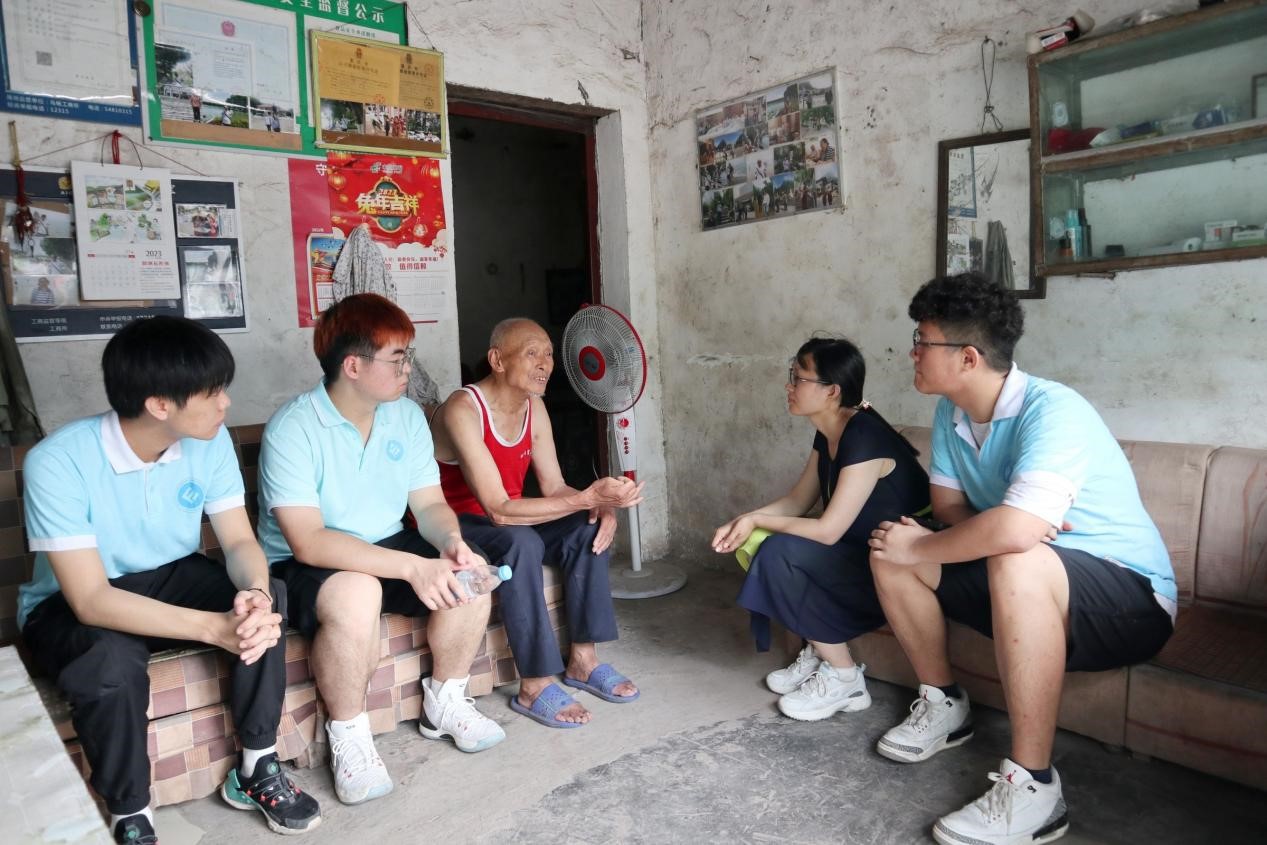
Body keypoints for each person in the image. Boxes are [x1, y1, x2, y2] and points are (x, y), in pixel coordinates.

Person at [867, 272, 1175, 845]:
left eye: (921, 340)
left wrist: (1010, 530)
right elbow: (949, 506)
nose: (912, 352)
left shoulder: (1055, 410)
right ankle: (944, 704)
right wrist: (1007, 527)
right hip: (1024, 580)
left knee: (1013, 556)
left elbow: (1014, 533)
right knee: (892, 548)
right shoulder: (953, 413)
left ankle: (1035, 787)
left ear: (967, 357)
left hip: (1129, 597)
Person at [17, 316, 321, 845]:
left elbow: (239, 542)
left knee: (264, 598)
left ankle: (257, 765)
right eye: (213, 392)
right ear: (160, 404)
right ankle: (131, 813)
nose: (226, 403)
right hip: (72, 600)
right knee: (109, 660)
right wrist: (212, 628)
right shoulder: (57, 461)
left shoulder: (209, 441)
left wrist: (253, 591)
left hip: (170, 575)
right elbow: (90, 599)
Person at [257, 293, 504, 806]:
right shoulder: (293, 428)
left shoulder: (406, 417)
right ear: (353, 366)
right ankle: (349, 734)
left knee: (470, 574)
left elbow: (429, 504)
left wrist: (451, 543)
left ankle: (446, 701)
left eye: (407, 355)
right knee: (357, 593)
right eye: (397, 358)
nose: (408, 368)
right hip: (307, 559)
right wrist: (412, 567)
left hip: (385, 542)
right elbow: (309, 540)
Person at [431, 318, 644, 729]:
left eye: (548, 353)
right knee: (521, 542)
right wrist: (587, 498)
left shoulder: (535, 406)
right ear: (497, 360)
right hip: (456, 522)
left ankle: (584, 660)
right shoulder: (463, 409)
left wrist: (599, 504)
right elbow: (497, 508)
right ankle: (535, 683)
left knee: (585, 527)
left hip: (509, 516)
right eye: (532, 353)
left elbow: (554, 486)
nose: (545, 363)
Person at [712, 338, 929, 721]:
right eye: (791, 375)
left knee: (779, 551)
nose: (789, 386)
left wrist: (758, 521)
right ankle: (821, 650)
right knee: (764, 541)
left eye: (799, 378)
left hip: (895, 566)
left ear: (832, 391)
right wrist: (745, 519)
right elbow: (799, 500)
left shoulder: (864, 435)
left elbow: (828, 530)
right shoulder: (829, 431)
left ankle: (845, 678)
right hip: (859, 551)